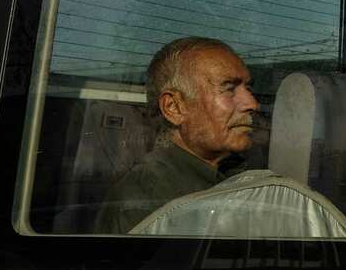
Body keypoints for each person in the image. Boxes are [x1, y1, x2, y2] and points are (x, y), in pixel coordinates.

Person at [96, 37, 258, 234]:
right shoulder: (146, 202)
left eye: (248, 89)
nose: (252, 103)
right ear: (174, 108)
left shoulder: (244, 176)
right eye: (229, 89)